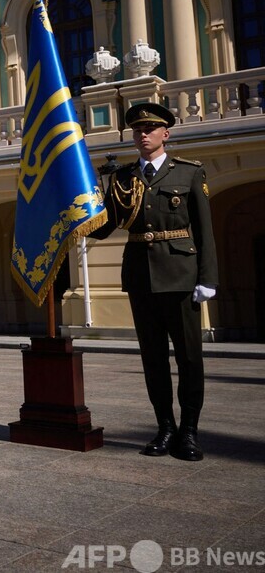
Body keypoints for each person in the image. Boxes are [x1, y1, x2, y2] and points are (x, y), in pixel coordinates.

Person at [89, 102, 218, 461]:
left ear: (166, 134)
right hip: (140, 277)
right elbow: (107, 226)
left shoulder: (189, 173)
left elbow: (205, 230)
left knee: (190, 359)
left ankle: (189, 433)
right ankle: (165, 429)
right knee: (154, 360)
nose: (143, 134)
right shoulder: (123, 178)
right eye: (137, 130)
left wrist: (207, 278)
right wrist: (75, 216)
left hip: (181, 276)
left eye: (150, 129)